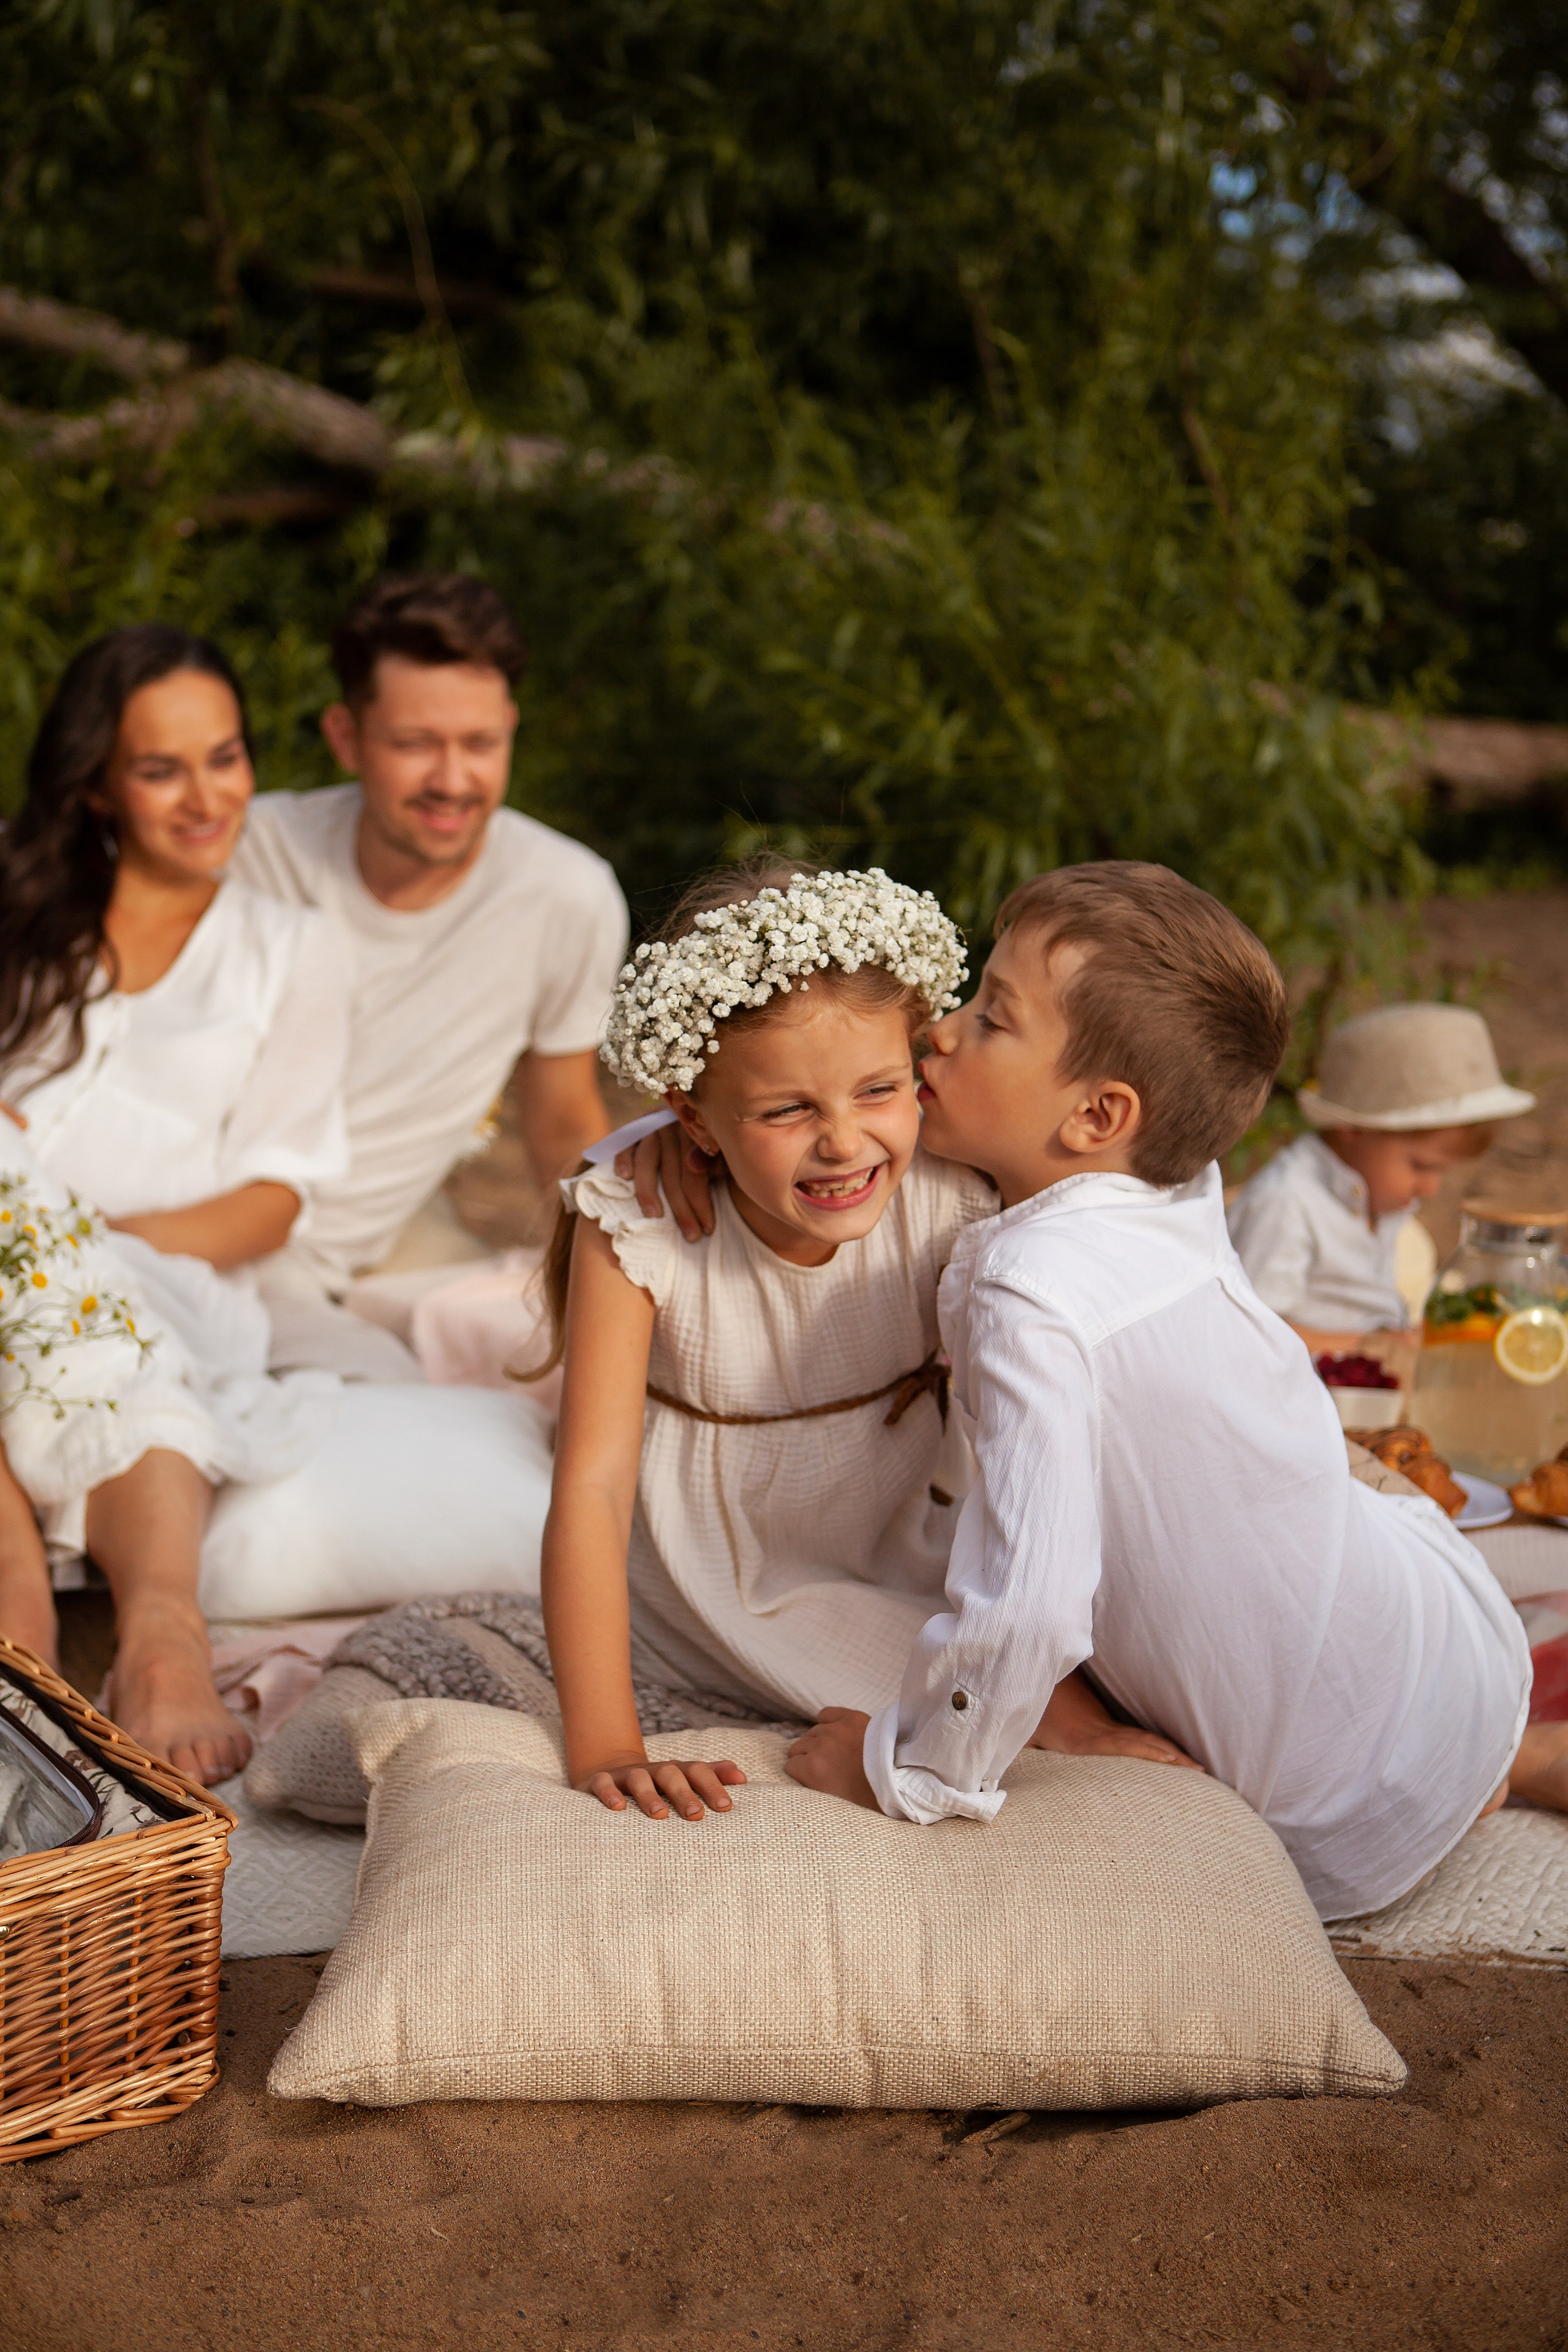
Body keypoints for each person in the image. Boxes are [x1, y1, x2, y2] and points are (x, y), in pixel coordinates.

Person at [783, 862, 1561, 1924]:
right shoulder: (1173, 1177)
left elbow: (1035, 1600)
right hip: (1428, 1642)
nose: (942, 1034)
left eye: (993, 1018)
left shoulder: (1034, 1296)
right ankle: (1508, 1761)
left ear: (1101, 1113)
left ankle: (1483, 1773)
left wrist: (903, 1766)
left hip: (1325, 1774)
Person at [535, 861, 1195, 1823]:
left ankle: (1086, 1724)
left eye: (878, 1089)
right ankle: (1071, 1733)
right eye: (786, 1111)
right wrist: (605, 1745)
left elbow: (1119, 1187)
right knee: (940, 1657)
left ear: (923, 1059)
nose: (845, 1142)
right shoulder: (637, 1222)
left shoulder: (952, 1182)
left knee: (1020, 1620)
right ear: (694, 1120)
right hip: (720, 1568)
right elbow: (591, 1485)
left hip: (895, 1531)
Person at [0, 623, 350, 1781]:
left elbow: (272, 1199)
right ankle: (35, 1663)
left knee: (83, 1307)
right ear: (98, 783)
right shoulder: (19, 905)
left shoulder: (290, 950)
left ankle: (155, 1635)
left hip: (161, 1275)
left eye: (226, 756)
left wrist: (75, 1246)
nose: (208, 797)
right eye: (162, 768)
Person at [228, 574, 629, 1381]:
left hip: (385, 1243)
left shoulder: (565, 896)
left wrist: (649, 1255)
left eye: (481, 744)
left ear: (512, 728)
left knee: (583, 1379)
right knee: (402, 1419)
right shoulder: (248, 855)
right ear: (345, 737)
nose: (453, 780)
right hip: (234, 1251)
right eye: (415, 745)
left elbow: (561, 1123)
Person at [1224, 1003, 1533, 1374]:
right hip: (1305, 1404)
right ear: (1353, 1129)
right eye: (1421, 1166)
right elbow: (1247, 1334)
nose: (1431, 1189)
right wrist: (1367, 1346)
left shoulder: (1375, 1194)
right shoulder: (1286, 1204)